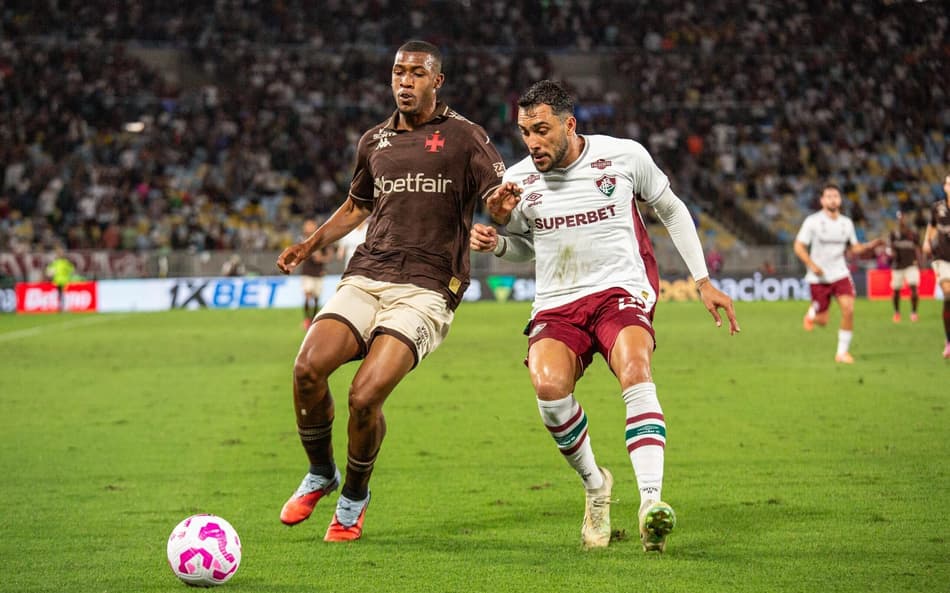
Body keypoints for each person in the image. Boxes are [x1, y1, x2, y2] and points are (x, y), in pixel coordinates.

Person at [469, 80, 740, 552]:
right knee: (548, 389)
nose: (532, 142)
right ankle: (596, 485)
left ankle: (651, 504)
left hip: (619, 291)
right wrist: (498, 240)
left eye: (541, 130)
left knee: (635, 367)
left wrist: (702, 281)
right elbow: (528, 248)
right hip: (557, 302)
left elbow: (672, 210)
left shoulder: (623, 156)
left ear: (569, 125)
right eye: (525, 132)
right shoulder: (517, 182)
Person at [274, 40, 509, 542]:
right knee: (307, 369)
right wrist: (308, 244)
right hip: (367, 273)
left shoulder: (465, 136)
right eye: (399, 72)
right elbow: (357, 206)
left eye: (417, 73)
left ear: (436, 81)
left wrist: (502, 210)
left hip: (427, 287)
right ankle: (321, 472)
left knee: (364, 396)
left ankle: (353, 498)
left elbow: (497, 195)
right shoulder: (374, 140)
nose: (405, 81)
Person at [793, 184, 883, 363]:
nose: (833, 200)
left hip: (840, 273)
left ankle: (842, 353)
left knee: (849, 309)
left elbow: (854, 247)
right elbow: (798, 246)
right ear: (822, 201)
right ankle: (812, 314)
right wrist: (811, 265)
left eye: (835, 196)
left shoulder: (846, 223)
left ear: (840, 200)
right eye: (829, 196)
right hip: (819, 277)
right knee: (823, 320)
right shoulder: (812, 221)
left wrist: (868, 246)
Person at [922, 174, 950, 359]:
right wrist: (926, 241)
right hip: (942, 258)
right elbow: (932, 226)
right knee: (948, 292)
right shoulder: (937, 208)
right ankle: (949, 341)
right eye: (949, 183)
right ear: (945, 187)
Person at [298, 219, 336, 330]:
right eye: (307, 225)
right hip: (307, 272)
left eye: (311, 225)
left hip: (318, 273)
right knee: (307, 294)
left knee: (316, 298)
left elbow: (329, 255)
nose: (309, 227)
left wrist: (322, 259)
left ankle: (313, 319)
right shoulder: (302, 239)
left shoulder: (321, 240)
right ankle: (307, 319)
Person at [887, 211, 922, 323]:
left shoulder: (913, 234)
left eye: (903, 218)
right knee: (896, 291)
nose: (901, 220)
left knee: (914, 288)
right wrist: (891, 253)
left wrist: (920, 262)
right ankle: (897, 312)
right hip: (898, 266)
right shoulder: (893, 234)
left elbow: (918, 248)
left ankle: (914, 312)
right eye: (900, 218)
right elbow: (889, 248)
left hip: (911, 264)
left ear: (906, 219)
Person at [45, 246, 75, 313]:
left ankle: (63, 307)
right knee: (60, 295)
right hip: (58, 281)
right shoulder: (55, 263)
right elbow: (49, 271)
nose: (60, 254)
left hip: (65, 281)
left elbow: (72, 270)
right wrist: (50, 274)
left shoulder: (65, 262)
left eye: (61, 253)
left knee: (63, 295)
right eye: (59, 253)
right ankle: (61, 307)